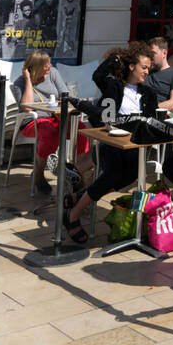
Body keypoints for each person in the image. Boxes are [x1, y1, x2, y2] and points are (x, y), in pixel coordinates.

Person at [63, 42, 157, 243]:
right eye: (143, 67)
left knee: (128, 177)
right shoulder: (114, 85)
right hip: (110, 142)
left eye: (149, 68)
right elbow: (98, 75)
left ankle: (80, 196)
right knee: (113, 173)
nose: (147, 72)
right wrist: (116, 59)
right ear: (132, 66)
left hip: (133, 145)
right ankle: (73, 215)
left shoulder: (149, 94)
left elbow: (151, 121)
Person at [12, 50, 92, 195]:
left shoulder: (53, 73)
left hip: (56, 118)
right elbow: (27, 107)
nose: (50, 65)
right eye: (46, 64)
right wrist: (28, 80)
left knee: (79, 129)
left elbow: (65, 95)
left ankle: (76, 175)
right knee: (50, 133)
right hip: (32, 122)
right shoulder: (19, 83)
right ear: (36, 66)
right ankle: (38, 175)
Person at [145, 35, 173, 113]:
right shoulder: (144, 72)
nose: (150, 57)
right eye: (148, 54)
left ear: (164, 53)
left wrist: (149, 108)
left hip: (160, 118)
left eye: (153, 53)